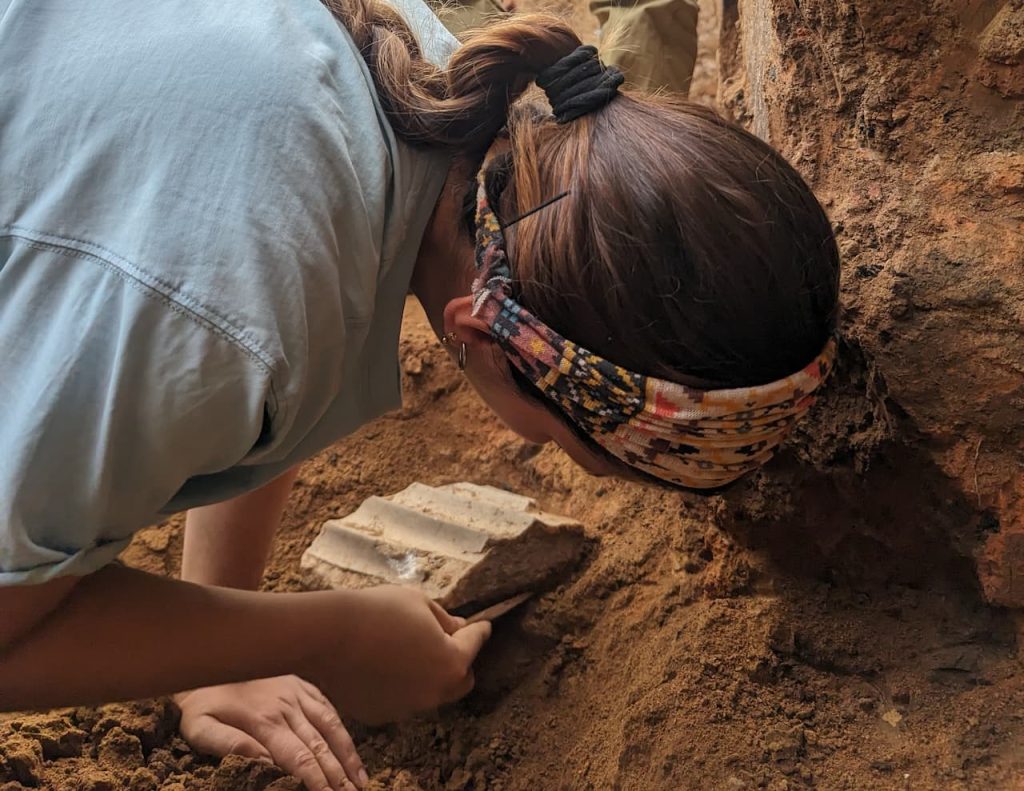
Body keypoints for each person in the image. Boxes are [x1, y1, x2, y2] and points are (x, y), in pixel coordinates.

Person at [0, 0, 840, 789]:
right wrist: (334, 637)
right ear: (480, 335)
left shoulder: (439, 97)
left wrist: (223, 660)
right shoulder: (223, 311)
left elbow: (295, 335)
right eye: (564, 444)